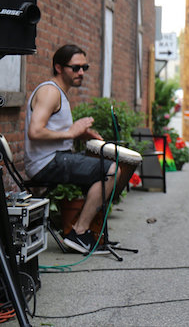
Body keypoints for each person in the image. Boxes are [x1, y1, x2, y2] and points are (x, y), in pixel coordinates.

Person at [24, 44, 124, 255]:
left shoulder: (59, 92)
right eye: (76, 68)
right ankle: (79, 232)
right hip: (45, 163)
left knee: (107, 163)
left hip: (56, 158)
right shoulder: (50, 92)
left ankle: (93, 232)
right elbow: (35, 132)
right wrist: (70, 133)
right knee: (112, 170)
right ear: (59, 67)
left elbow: (52, 131)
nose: (81, 73)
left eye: (84, 68)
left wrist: (79, 133)